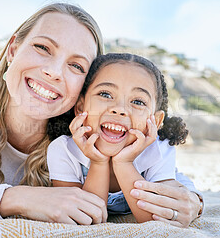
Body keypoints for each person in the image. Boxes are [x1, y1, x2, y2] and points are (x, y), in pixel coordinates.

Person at [0, 3, 202, 227]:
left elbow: (162, 169)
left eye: (76, 66)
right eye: (42, 48)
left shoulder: (85, 125)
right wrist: (18, 198)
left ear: (85, 90)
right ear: (13, 49)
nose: (54, 72)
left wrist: (194, 200)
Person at [47, 53, 193, 224]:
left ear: (156, 120)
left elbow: (153, 220)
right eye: (106, 94)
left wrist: (124, 163)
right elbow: (86, 217)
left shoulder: (159, 150)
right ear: (80, 107)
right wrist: (98, 162)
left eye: (138, 102)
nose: (119, 109)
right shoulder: (64, 150)